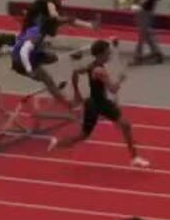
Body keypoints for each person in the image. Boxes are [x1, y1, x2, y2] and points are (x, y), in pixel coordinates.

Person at [49, 39, 149, 168]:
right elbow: (113, 89)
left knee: (124, 126)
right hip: (97, 105)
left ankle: (134, 158)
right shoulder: (99, 71)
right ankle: (57, 143)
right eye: (108, 53)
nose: (109, 55)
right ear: (101, 54)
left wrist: (76, 92)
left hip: (96, 102)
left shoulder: (91, 65)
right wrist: (120, 79)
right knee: (85, 135)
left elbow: (76, 71)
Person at [0, 19, 71, 107]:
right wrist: (29, 70)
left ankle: (56, 86)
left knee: (52, 59)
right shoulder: (34, 37)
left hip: (32, 55)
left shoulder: (36, 33)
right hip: (23, 63)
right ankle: (65, 102)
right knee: (47, 78)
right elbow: (22, 52)